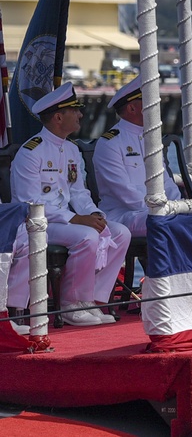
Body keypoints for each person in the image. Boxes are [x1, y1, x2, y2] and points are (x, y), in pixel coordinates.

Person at [8, 82, 131, 327]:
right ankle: (71, 305)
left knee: (120, 233)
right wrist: (76, 219)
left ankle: (93, 300)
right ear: (58, 116)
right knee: (86, 236)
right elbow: (29, 203)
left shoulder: (71, 150)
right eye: (75, 110)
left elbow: (79, 192)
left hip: (63, 221)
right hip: (36, 224)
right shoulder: (32, 152)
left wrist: (94, 214)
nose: (81, 115)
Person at [93, 76, 182, 237]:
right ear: (132, 109)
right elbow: (123, 191)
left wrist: (177, 205)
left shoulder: (151, 138)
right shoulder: (110, 143)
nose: (155, 106)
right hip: (123, 215)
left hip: (156, 211)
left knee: (188, 217)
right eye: (148, 102)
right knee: (165, 222)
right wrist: (160, 209)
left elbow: (165, 181)